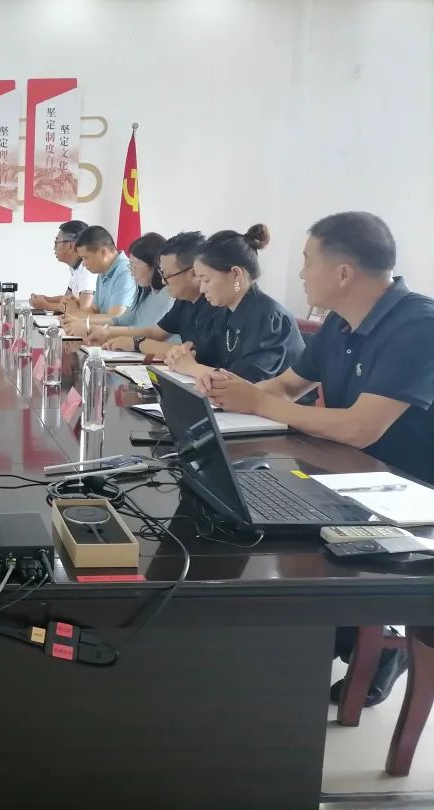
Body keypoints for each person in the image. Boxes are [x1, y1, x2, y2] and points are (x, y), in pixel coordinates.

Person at [207, 212, 434, 707]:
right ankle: (321, 641)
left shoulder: (419, 325)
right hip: (355, 477)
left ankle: (372, 640)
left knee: (289, 533)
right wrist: (227, 394)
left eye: (308, 262)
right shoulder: (339, 323)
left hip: (414, 498)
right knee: (249, 516)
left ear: (344, 273)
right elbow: (289, 385)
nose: (301, 274)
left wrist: (261, 402)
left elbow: (360, 427)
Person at [162, 224, 305, 385]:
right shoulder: (224, 311)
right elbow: (206, 355)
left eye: (206, 280)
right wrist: (183, 354)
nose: (202, 289)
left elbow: (247, 383)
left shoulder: (269, 317)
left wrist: (191, 368)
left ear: (236, 274)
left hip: (276, 401)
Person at [91, 231, 223, 356]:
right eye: (161, 273)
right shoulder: (183, 301)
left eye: (167, 275)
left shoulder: (214, 304)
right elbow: (156, 332)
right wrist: (110, 333)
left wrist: (137, 343)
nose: (163, 281)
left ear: (194, 274)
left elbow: (191, 352)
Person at [62, 232, 171, 337]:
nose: (131, 272)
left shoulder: (168, 294)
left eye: (134, 266)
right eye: (130, 266)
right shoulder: (145, 291)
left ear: (154, 264)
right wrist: (83, 322)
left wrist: (90, 326)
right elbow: (120, 321)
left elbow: (149, 333)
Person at [61, 225, 136, 331]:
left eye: (85, 258)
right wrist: (73, 305)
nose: (83, 264)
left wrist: (75, 314)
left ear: (103, 252)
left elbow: (116, 319)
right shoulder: (103, 272)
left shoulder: (125, 272)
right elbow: (94, 312)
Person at [29, 220, 94, 313]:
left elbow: (84, 308)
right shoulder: (76, 268)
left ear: (70, 246)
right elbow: (67, 300)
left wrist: (45, 305)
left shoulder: (87, 269)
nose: (54, 248)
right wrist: (46, 298)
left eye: (56, 242)